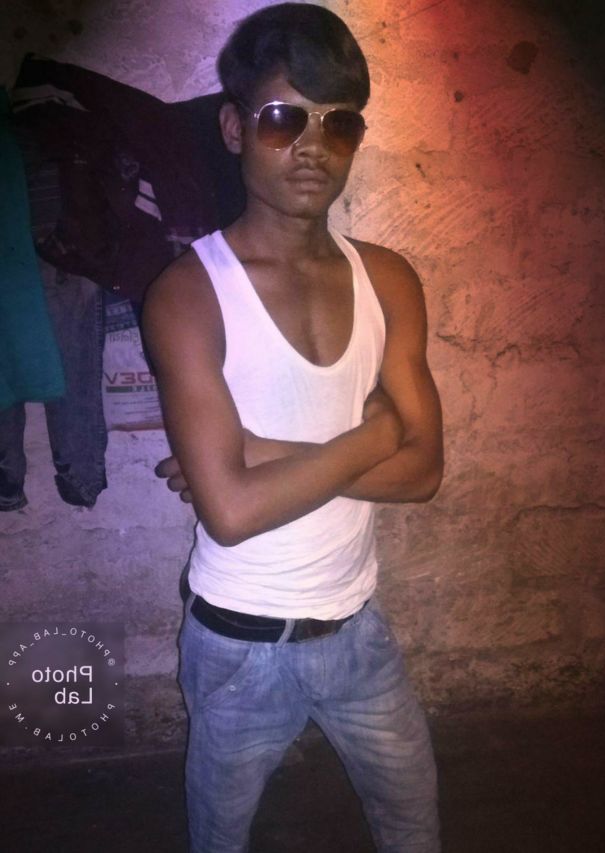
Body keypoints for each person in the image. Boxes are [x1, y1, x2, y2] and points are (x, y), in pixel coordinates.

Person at [142, 4, 444, 851]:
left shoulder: (389, 280)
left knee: (415, 826)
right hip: (238, 646)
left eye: (338, 123)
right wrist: (374, 435)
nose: (314, 146)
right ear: (234, 127)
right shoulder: (189, 293)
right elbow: (232, 512)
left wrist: (254, 451)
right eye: (284, 118)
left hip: (358, 631)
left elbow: (426, 473)